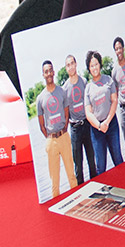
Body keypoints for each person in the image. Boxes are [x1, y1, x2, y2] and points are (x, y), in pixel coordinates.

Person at [36, 60, 78, 195]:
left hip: (64, 137)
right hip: (51, 141)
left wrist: (63, 131)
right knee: (55, 181)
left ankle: (79, 202)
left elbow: (67, 114)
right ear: (43, 74)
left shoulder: (62, 92)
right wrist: (50, 137)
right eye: (46, 71)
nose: (49, 73)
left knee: (71, 175)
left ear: (53, 72)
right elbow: (41, 125)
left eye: (50, 70)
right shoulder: (40, 98)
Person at [84, 50, 124, 174]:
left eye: (96, 64)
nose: (94, 67)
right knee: (100, 167)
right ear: (88, 69)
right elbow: (88, 113)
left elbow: (114, 100)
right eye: (91, 65)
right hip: (97, 130)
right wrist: (100, 125)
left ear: (100, 64)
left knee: (118, 159)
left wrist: (107, 122)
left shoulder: (108, 80)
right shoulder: (88, 88)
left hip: (111, 125)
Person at [62, 54, 97, 185]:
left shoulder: (84, 82)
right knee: (78, 165)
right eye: (68, 65)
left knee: (92, 160)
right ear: (66, 68)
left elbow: (91, 104)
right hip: (75, 129)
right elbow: (64, 112)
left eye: (72, 63)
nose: (71, 67)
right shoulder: (64, 89)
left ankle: (97, 187)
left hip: (87, 125)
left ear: (76, 64)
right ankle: (81, 191)